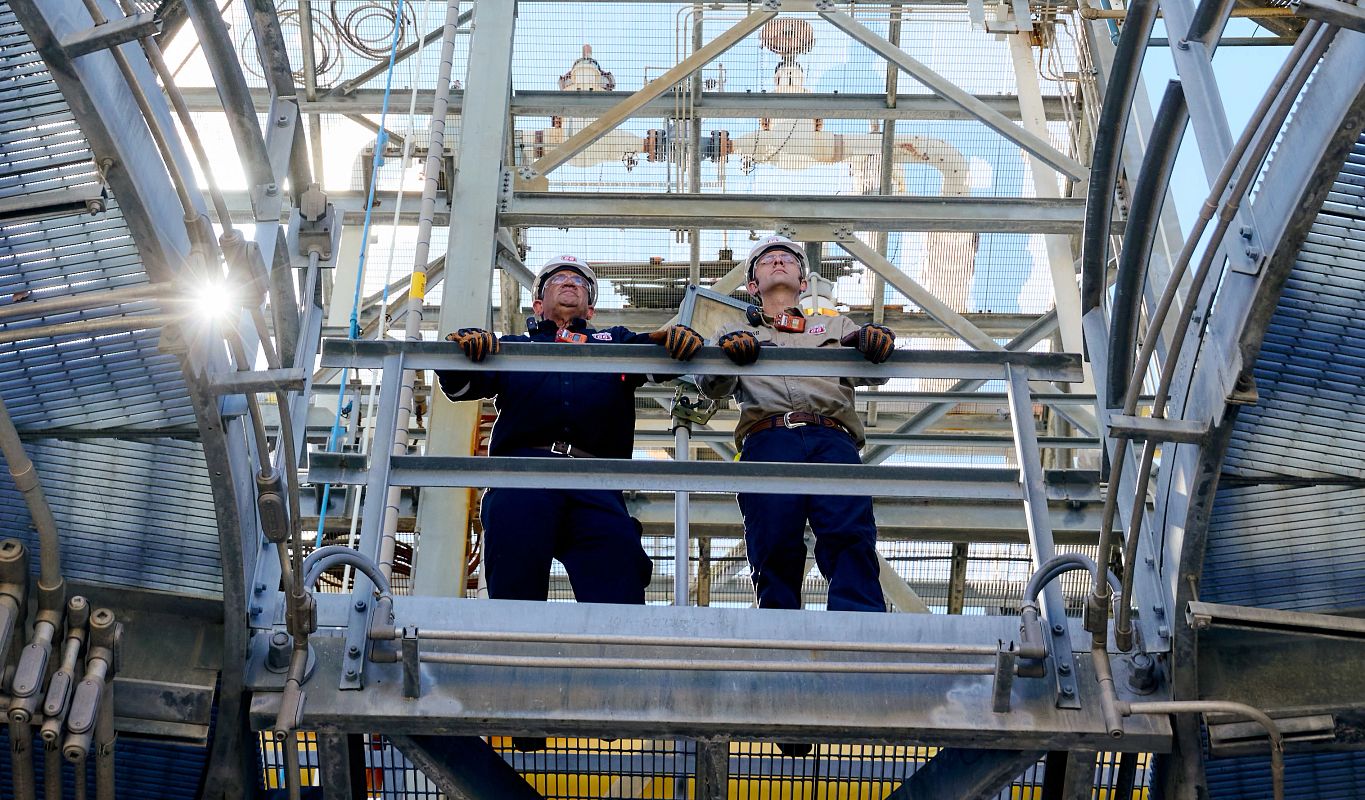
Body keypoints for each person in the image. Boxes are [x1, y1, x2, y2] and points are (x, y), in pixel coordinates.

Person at [435, 254, 703, 606]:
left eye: (579, 282)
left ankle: (614, 640)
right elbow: (459, 387)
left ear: (590, 309)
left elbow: (662, 354)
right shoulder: (514, 347)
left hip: (596, 481)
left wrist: (676, 340)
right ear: (538, 304)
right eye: (557, 280)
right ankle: (513, 640)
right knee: (514, 588)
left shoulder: (614, 343)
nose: (569, 283)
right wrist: (459, 354)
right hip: (523, 476)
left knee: (618, 579)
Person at [696, 235, 896, 614]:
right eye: (767, 260)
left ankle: (859, 623)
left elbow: (877, 371)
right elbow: (710, 386)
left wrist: (874, 342)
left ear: (803, 283)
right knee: (772, 539)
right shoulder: (733, 332)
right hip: (768, 440)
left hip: (831, 437)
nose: (778, 262)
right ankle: (777, 625)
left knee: (848, 533)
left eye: (787, 259)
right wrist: (725, 355)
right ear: (752, 285)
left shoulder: (835, 327)